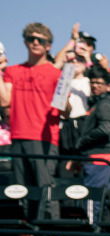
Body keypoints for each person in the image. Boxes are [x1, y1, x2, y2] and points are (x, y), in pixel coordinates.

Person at [0, 22, 64, 218]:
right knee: (22, 190)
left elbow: (64, 108)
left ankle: (50, 232)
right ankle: (29, 231)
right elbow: (5, 101)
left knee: (45, 188)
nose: (35, 42)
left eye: (40, 40)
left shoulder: (56, 73)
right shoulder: (13, 71)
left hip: (44, 137)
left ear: (48, 46)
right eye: (31, 39)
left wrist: (67, 103)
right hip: (18, 136)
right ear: (25, 42)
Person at [75, 65, 110, 223]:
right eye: (92, 82)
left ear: (108, 86)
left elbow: (105, 129)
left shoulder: (104, 104)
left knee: (92, 197)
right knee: (101, 198)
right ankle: (100, 231)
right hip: (101, 156)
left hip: (100, 156)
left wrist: (82, 141)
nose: (95, 86)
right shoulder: (99, 103)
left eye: (99, 83)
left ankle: (93, 231)